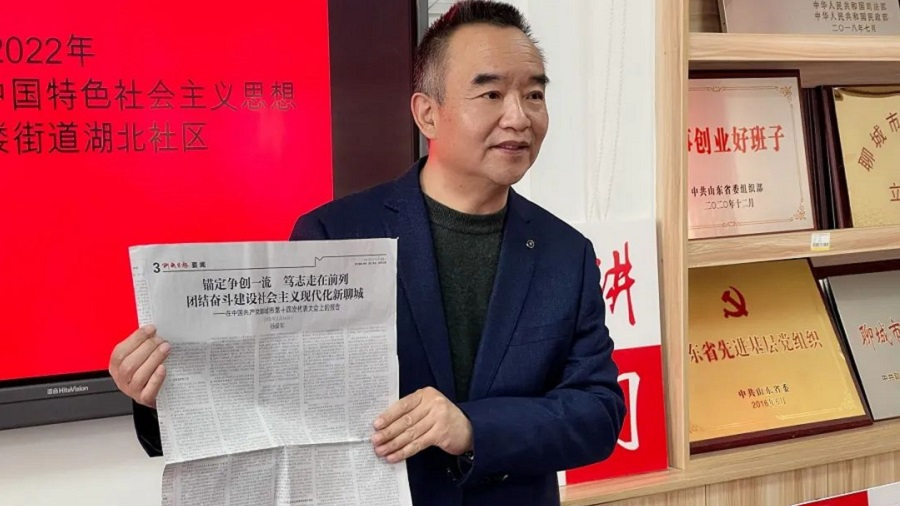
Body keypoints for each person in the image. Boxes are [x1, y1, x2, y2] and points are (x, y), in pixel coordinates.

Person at [108, 1, 625, 505]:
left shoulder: (566, 254)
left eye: (533, 95)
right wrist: (161, 394)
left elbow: (598, 413)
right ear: (427, 113)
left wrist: (472, 427)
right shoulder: (335, 236)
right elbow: (278, 400)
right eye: (490, 94)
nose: (518, 117)